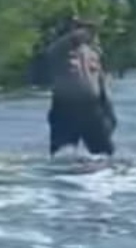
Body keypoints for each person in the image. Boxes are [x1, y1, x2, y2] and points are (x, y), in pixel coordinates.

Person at [45, 16, 117, 157]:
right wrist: (85, 28)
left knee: (104, 154)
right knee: (61, 154)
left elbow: (102, 84)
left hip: (92, 109)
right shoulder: (58, 50)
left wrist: (109, 112)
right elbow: (74, 37)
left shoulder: (93, 53)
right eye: (79, 28)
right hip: (65, 108)